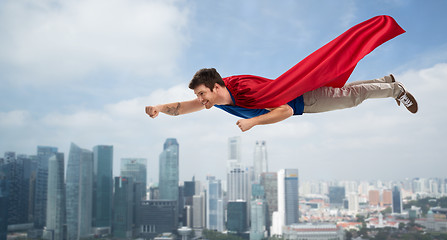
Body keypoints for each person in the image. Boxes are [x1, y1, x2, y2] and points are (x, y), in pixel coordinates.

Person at [145, 15, 418, 132]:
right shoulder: (219, 97)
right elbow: (181, 108)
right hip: (302, 92)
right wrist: (159, 107)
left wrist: (254, 123)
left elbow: (285, 110)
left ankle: (396, 90)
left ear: (216, 87)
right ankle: (386, 82)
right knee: (345, 93)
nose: (200, 99)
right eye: (198, 96)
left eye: (202, 94)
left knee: (351, 98)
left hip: (304, 99)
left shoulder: (245, 93)